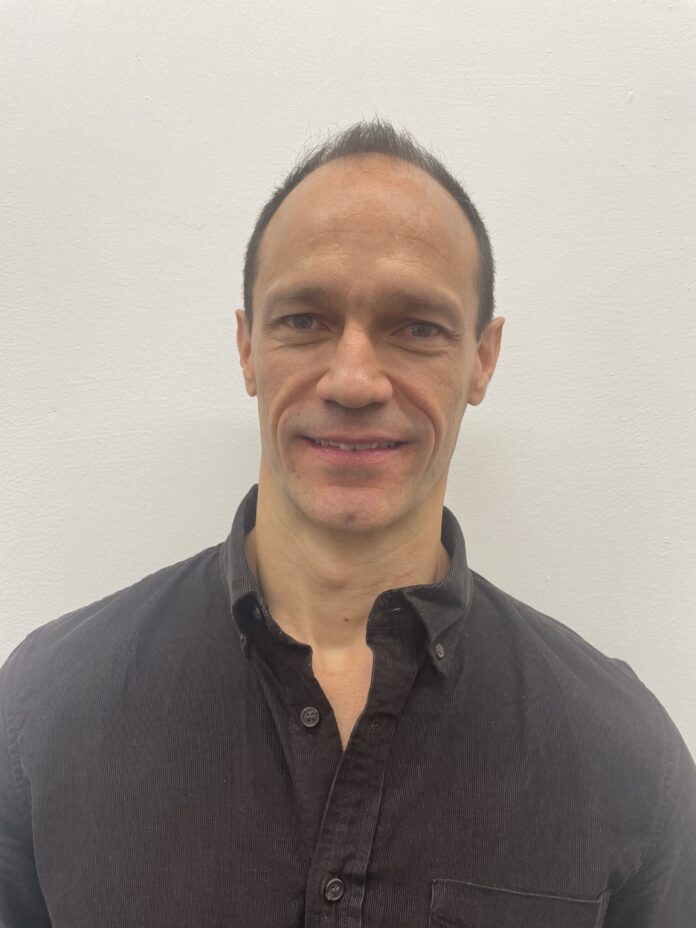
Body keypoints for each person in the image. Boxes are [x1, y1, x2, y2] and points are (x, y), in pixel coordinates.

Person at [1, 118, 694, 927]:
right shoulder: (44, 715)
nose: (355, 380)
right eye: (304, 319)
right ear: (247, 346)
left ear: (482, 358)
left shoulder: (624, 757)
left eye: (417, 327)